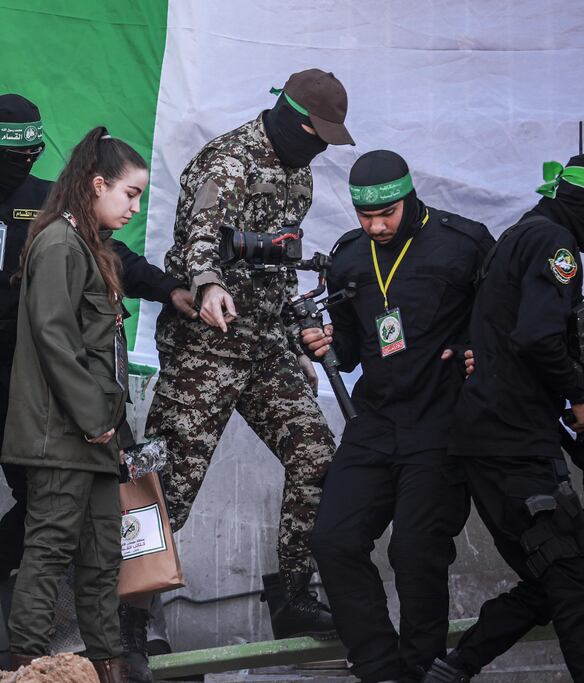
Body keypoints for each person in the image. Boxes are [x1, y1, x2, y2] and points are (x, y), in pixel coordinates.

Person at [0, 94, 196, 663]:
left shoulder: (46, 206)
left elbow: (114, 258)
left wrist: (170, 288)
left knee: (48, 506)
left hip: (23, 384)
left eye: (31, 154)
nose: (22, 165)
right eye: (11, 155)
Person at [144, 68, 354, 639]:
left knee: (317, 457)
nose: (318, 148)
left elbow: (279, 266)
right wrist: (209, 284)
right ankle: (126, 611)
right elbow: (200, 238)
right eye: (315, 134)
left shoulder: (298, 174)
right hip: (205, 348)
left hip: (263, 349)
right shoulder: (229, 160)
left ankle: (294, 597)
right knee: (168, 491)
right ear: (291, 118)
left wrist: (293, 341)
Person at [302, 151, 493, 683]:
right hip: (375, 422)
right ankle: (380, 668)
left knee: (415, 550)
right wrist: (324, 345)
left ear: (409, 198)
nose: (376, 226)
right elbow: (348, 350)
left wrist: (475, 347)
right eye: (365, 216)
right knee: (333, 540)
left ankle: (420, 668)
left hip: (440, 423)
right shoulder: (349, 256)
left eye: (386, 213)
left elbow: (500, 314)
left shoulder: (465, 242)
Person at [424, 153, 584, 683]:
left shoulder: (520, 234)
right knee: (575, 581)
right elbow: (538, 337)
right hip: (513, 445)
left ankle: (453, 668)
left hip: (494, 439)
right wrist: (580, 396)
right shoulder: (554, 242)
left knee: (552, 578)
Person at [2, 126, 149, 683]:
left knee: (103, 559)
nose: (134, 207)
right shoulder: (60, 244)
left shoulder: (90, 246)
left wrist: (112, 429)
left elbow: (101, 351)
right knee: (49, 552)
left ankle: (108, 669)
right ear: (97, 184)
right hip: (64, 435)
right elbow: (55, 340)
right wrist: (93, 420)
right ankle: (28, 671)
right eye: (130, 193)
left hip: (97, 437)